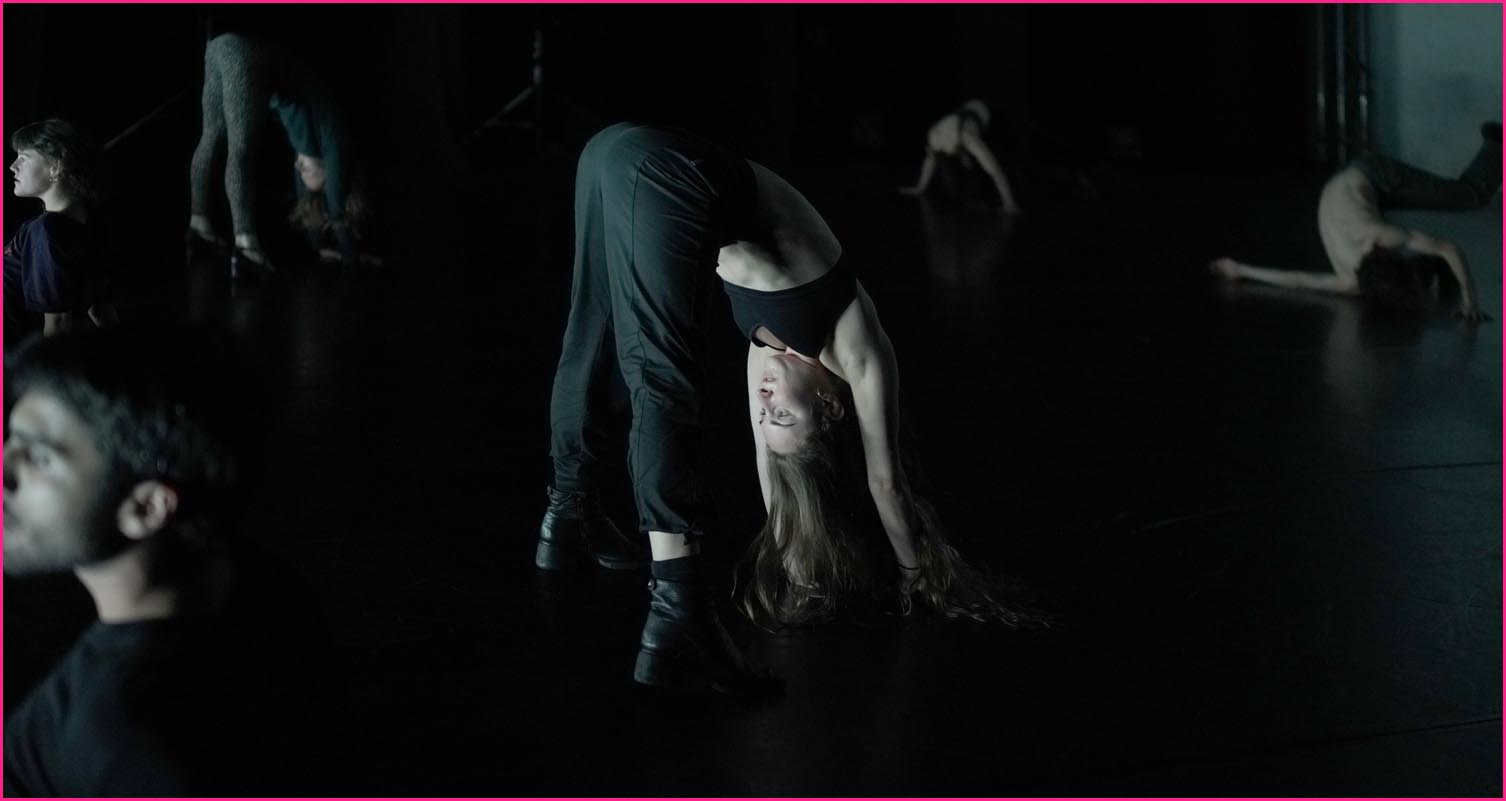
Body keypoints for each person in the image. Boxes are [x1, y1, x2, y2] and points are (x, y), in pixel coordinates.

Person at [3, 325, 326, 796]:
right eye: (10, 441)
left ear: (147, 507)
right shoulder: (259, 587)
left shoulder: (126, 745)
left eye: (39, 458)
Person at [1211, 123, 1501, 322]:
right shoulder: (1352, 279)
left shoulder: (1378, 237)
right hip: (1345, 187)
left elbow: (1449, 248)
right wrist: (1238, 269)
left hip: (1374, 175)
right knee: (1438, 236)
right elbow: (1298, 280)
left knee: (1470, 197)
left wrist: (1470, 300)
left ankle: (1496, 140)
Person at [187, 32, 377, 275]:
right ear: (331, 173)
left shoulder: (306, 147)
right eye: (322, 186)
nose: (299, 168)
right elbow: (336, 199)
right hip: (247, 55)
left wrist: (319, 246)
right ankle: (246, 246)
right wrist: (350, 251)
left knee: (211, 136)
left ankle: (199, 225)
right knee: (240, 147)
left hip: (218, 48)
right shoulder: (333, 137)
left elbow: (305, 199)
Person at [4, 119, 115, 351]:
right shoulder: (88, 225)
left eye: (23, 158)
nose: (13, 167)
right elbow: (102, 311)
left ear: (56, 166)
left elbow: (58, 324)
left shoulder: (46, 231)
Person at [899, 99, 1022, 214]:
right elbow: (930, 160)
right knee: (959, 164)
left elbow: (995, 170)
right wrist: (919, 188)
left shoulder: (969, 138)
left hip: (989, 113)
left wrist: (1009, 202)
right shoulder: (934, 137)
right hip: (965, 113)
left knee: (996, 158)